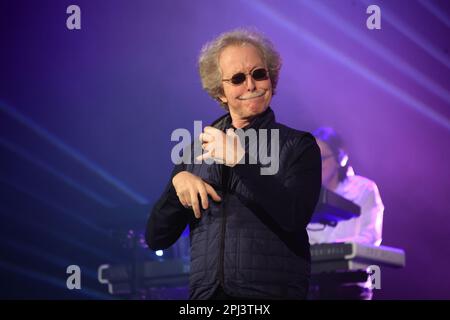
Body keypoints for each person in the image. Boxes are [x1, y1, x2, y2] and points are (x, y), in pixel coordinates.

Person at [145, 29, 322, 300]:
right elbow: (157, 238)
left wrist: (240, 161)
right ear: (221, 93)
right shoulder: (196, 151)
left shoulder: (298, 145)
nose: (251, 85)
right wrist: (176, 185)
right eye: (238, 79)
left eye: (259, 74)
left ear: (272, 80)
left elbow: (294, 217)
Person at [307, 127, 385, 300]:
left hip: (350, 287)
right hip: (311, 286)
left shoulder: (364, 189)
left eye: (321, 158)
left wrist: (334, 251)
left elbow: (371, 235)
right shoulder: (304, 194)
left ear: (340, 159)